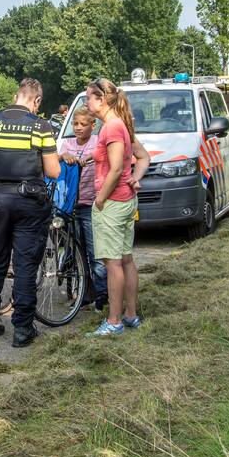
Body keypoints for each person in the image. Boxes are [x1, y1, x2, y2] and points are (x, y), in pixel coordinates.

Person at [0, 78, 61, 348]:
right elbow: (53, 171)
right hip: (29, 203)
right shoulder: (40, 126)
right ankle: (22, 329)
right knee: (24, 265)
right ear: (36, 101)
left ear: (16, 96)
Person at [84, 78, 150, 337]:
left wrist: (100, 197)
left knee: (113, 264)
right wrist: (136, 177)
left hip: (112, 203)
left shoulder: (111, 127)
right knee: (126, 260)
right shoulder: (122, 125)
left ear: (101, 99)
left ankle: (114, 321)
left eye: (89, 97)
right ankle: (130, 315)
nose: (87, 102)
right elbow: (142, 157)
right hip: (125, 200)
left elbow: (115, 169)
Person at [59, 105, 107, 310]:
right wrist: (63, 157)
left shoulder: (97, 142)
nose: (78, 127)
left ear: (93, 125)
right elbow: (54, 160)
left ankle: (103, 295)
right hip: (72, 206)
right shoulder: (67, 143)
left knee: (95, 253)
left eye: (83, 124)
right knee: (77, 252)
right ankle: (85, 293)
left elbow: (103, 158)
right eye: (75, 123)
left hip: (91, 204)